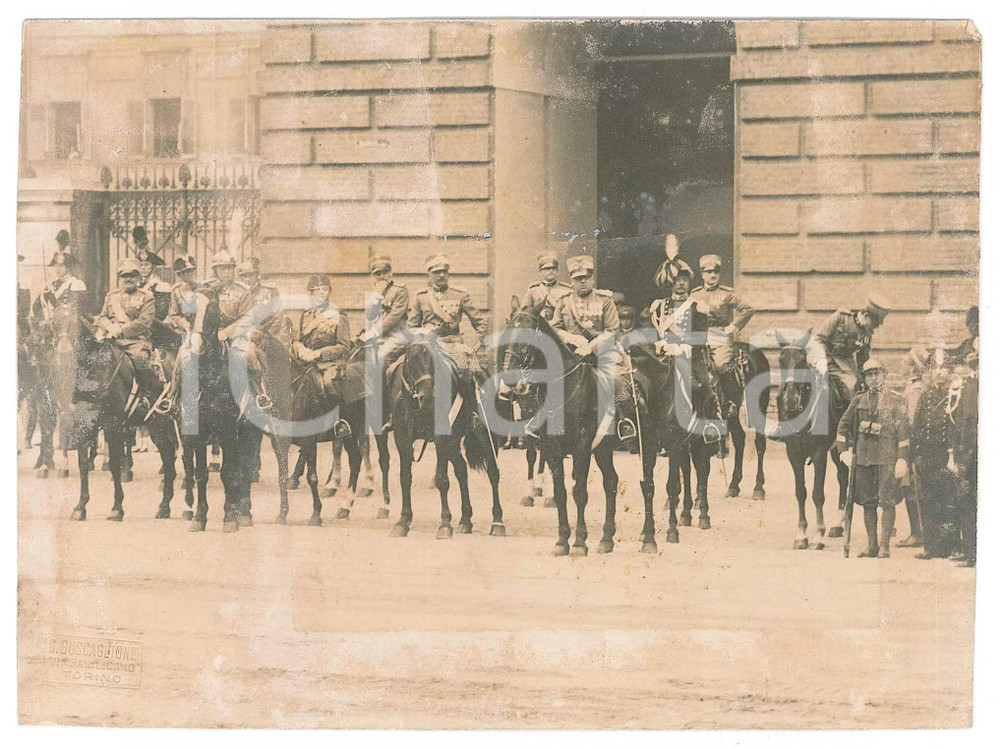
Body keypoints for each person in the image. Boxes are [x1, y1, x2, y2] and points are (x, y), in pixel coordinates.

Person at [550, 254, 635, 440]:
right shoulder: (564, 301)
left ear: (592, 278)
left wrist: (591, 346)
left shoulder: (605, 300)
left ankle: (623, 420)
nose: (582, 282)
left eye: (586, 277)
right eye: (577, 278)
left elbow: (612, 330)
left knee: (617, 379)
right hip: (571, 354)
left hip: (600, 354)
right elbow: (555, 328)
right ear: (570, 281)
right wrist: (572, 339)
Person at [835, 359, 911, 558]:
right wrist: (843, 451)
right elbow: (842, 427)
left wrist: (902, 459)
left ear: (884, 374)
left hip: (887, 459)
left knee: (887, 502)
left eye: (876, 373)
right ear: (865, 378)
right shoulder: (858, 400)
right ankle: (872, 546)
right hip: (864, 459)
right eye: (869, 374)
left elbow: (903, 433)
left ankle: (885, 546)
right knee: (868, 503)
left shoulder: (897, 400)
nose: (873, 378)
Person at [408, 253, 489, 396]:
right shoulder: (421, 297)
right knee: (400, 370)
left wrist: (473, 345)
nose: (441, 276)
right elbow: (412, 327)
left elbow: (480, 322)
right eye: (436, 272)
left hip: (453, 345)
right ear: (429, 274)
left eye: (444, 272)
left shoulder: (460, 295)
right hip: (428, 345)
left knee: (474, 373)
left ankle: (476, 410)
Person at [910, 349, 961, 560]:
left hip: (945, 455)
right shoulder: (925, 396)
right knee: (928, 500)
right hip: (926, 455)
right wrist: (914, 456)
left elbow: (956, 429)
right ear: (929, 372)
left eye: (944, 368)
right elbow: (917, 427)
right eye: (935, 368)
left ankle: (952, 546)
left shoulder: (955, 396)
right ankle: (931, 547)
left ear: (950, 372)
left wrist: (953, 456)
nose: (939, 373)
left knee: (949, 501)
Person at [689, 253, 753, 418]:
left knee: (720, 365)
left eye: (715, 272)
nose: (712, 276)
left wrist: (732, 327)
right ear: (702, 274)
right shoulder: (694, 295)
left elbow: (748, 309)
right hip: (698, 337)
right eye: (708, 272)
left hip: (720, 337)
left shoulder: (726, 294)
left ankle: (731, 401)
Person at [648, 256, 710, 418]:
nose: (681, 283)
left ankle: (707, 427)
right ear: (671, 282)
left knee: (698, 387)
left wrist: (678, 348)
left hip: (689, 359)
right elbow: (649, 332)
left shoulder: (697, 308)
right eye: (677, 280)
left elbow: (700, 338)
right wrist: (658, 343)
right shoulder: (659, 306)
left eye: (685, 279)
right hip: (662, 360)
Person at [95, 258, 161, 405]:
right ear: (119, 278)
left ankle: (145, 396)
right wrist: (108, 327)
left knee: (140, 359)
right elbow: (101, 317)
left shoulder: (146, 297)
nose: (128, 279)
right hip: (111, 340)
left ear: (138, 278)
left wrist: (121, 330)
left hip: (135, 341)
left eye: (132, 275)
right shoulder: (112, 296)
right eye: (124, 276)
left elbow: (144, 322)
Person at [205, 250, 266, 407]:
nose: (226, 271)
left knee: (250, 354)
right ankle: (173, 396)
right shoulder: (206, 289)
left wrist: (226, 332)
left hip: (234, 336)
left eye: (229, 268)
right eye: (222, 268)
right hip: (208, 335)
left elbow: (247, 319)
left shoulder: (242, 291)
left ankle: (260, 394)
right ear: (215, 270)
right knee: (184, 353)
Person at [813, 295, 890, 411]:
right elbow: (819, 339)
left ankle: (847, 422)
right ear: (866, 315)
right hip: (824, 359)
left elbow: (862, 359)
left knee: (856, 386)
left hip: (845, 365)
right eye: (874, 323)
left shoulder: (866, 334)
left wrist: (865, 377)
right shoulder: (841, 318)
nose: (875, 327)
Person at [292, 274, 353, 400]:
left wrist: (320, 353)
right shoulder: (306, 315)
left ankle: (337, 418)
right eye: (317, 289)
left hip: (328, 364)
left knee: (328, 384)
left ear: (329, 292)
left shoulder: (338, 315)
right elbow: (297, 341)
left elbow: (344, 346)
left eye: (324, 289)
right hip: (304, 363)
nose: (321, 293)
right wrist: (301, 349)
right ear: (311, 293)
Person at [523, 252, 572, 320]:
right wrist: (538, 314)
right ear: (540, 272)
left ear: (558, 271)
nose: (551, 271)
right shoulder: (533, 290)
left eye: (553, 268)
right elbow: (525, 312)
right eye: (547, 268)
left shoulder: (566, 290)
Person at [951, 305, 979, 371]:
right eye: (969, 325)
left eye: (975, 323)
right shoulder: (968, 342)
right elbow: (956, 356)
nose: (972, 328)